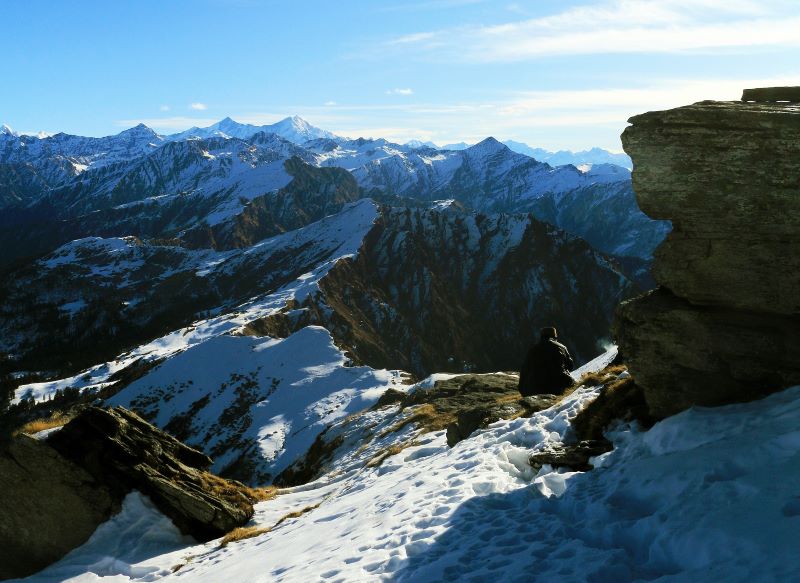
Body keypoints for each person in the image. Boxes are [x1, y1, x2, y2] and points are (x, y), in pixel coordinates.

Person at [518, 327, 575, 395]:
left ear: (541, 336)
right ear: (554, 336)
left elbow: (524, 370)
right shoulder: (561, 347)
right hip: (556, 387)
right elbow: (570, 366)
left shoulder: (533, 349)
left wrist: (522, 389)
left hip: (534, 389)